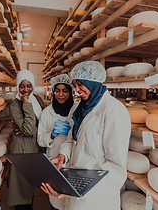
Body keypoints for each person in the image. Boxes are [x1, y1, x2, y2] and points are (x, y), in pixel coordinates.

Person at [41, 61, 131, 210]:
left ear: (93, 82)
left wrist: (80, 188)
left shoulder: (113, 111)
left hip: (95, 200)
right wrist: (63, 156)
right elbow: (73, 140)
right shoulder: (83, 108)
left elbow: (116, 168)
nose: (77, 90)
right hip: (74, 187)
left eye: (80, 85)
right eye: (75, 85)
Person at [37, 74, 78, 210]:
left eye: (65, 91)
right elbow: (40, 140)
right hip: (54, 162)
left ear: (70, 91)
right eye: (57, 91)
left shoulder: (78, 109)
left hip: (74, 162)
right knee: (56, 202)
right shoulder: (47, 112)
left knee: (73, 202)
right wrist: (52, 135)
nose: (61, 94)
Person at [7, 69, 45, 210]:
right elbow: (28, 129)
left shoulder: (38, 100)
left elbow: (43, 125)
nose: (26, 90)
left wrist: (35, 133)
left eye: (29, 86)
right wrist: (26, 103)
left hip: (36, 147)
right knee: (22, 189)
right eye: (22, 86)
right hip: (23, 150)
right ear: (17, 86)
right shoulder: (15, 104)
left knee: (31, 185)